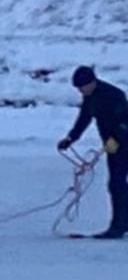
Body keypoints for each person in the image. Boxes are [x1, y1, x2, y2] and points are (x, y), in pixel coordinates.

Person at [58, 65, 128, 239]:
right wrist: (70, 139)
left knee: (117, 184)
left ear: (92, 82)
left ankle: (119, 225)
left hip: (123, 142)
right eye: (78, 89)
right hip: (113, 147)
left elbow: (125, 121)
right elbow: (84, 119)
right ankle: (121, 222)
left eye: (83, 87)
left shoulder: (114, 95)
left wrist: (117, 138)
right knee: (116, 185)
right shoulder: (90, 98)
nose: (81, 91)